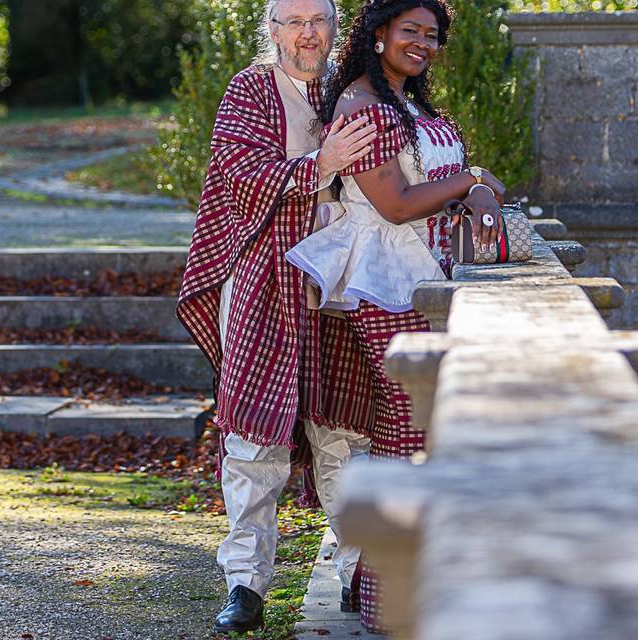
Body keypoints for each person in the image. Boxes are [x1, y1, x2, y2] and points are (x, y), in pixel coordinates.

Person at [284, 0, 505, 631]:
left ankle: (378, 582)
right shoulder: (361, 103)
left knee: (419, 437)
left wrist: (472, 184)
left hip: (422, 278)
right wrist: (471, 179)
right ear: (379, 33)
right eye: (411, 31)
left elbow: (430, 193)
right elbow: (395, 203)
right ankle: (388, 604)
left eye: (432, 35)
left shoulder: (406, 101)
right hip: (383, 281)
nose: (423, 43)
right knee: (409, 437)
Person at [175, 0, 384, 633]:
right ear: (271, 30)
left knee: (345, 429)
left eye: (317, 20)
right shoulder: (251, 89)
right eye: (292, 22)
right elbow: (239, 179)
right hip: (267, 278)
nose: (307, 34)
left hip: (342, 284)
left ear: (334, 25)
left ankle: (355, 571)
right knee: (254, 434)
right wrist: (319, 166)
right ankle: (246, 583)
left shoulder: (356, 90)